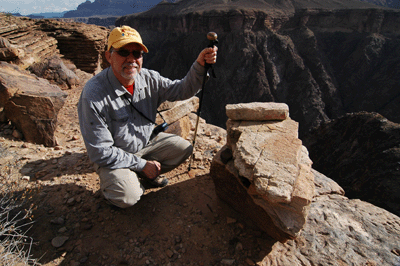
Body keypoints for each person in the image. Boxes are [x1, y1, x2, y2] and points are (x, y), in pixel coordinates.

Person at [78, 25, 218, 208]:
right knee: (128, 196)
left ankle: (139, 177)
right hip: (114, 157)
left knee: (183, 148)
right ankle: (122, 185)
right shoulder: (93, 95)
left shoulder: (149, 79)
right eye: (123, 52)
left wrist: (200, 65)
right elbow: (100, 152)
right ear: (108, 56)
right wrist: (142, 164)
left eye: (137, 53)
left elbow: (181, 89)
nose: (131, 59)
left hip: (144, 144)